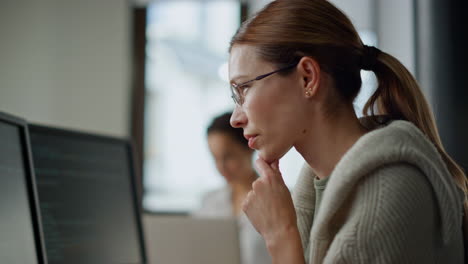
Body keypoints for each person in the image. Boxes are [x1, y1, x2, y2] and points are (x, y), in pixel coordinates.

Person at [227, 0, 467, 263]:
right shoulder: (317, 190)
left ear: (307, 77)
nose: (236, 119)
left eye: (244, 88)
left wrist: (280, 237)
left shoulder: (388, 194)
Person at [193, 112, 271, 264]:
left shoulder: (278, 200)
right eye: (215, 158)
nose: (221, 167)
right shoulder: (208, 202)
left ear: (249, 148)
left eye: (228, 156)